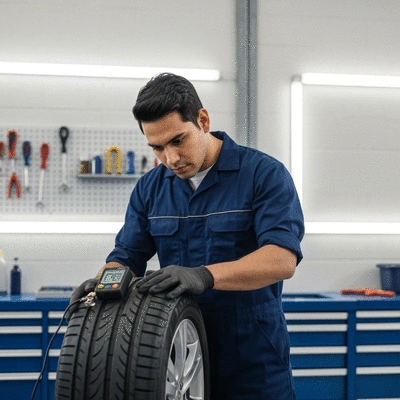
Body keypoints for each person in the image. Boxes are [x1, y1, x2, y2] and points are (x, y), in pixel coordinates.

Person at [70, 73, 304, 399]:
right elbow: (128, 255)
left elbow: (281, 259)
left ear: (203, 120)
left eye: (178, 141)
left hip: (253, 359)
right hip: (176, 354)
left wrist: (204, 276)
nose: (170, 159)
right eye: (157, 148)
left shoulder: (263, 175)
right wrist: (103, 284)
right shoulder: (151, 188)